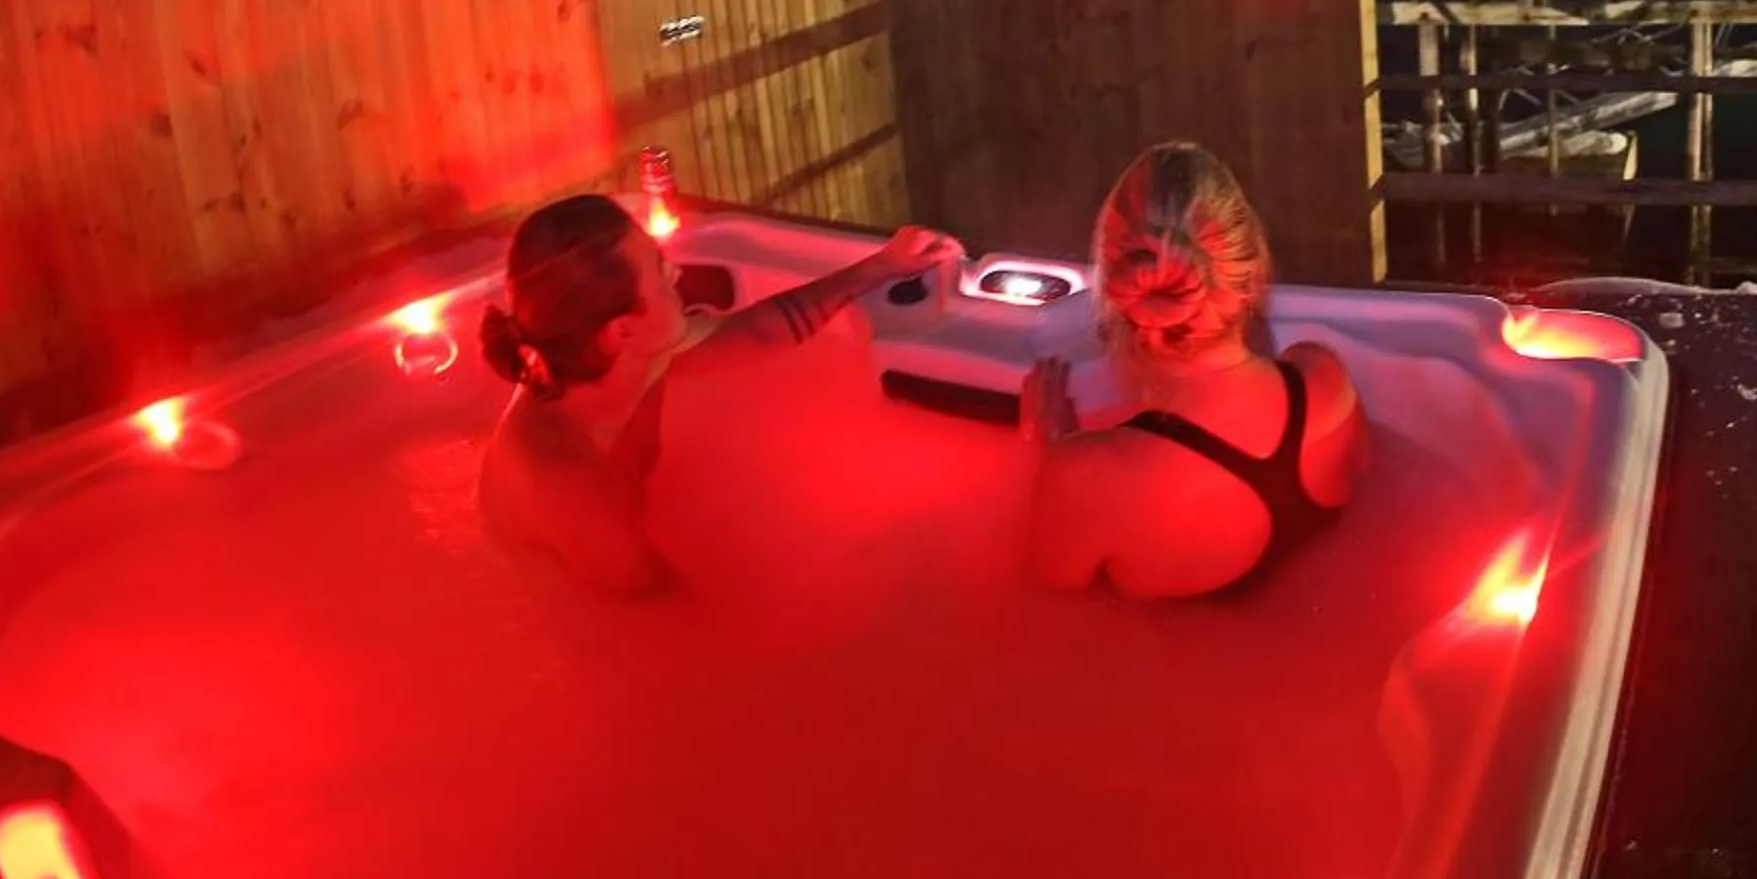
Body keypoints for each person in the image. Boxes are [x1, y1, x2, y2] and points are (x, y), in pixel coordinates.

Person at [476, 193, 957, 593]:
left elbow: (758, 333)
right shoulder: (573, 493)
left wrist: (879, 266)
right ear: (620, 330)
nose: (677, 275)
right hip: (558, 602)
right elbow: (665, 637)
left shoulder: (613, 356)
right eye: (659, 271)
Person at [1018, 143, 1366, 599]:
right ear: (1251, 269)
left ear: (1119, 292)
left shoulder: (1087, 474)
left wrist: (1050, 450)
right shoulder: (1323, 377)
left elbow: (1053, 600)